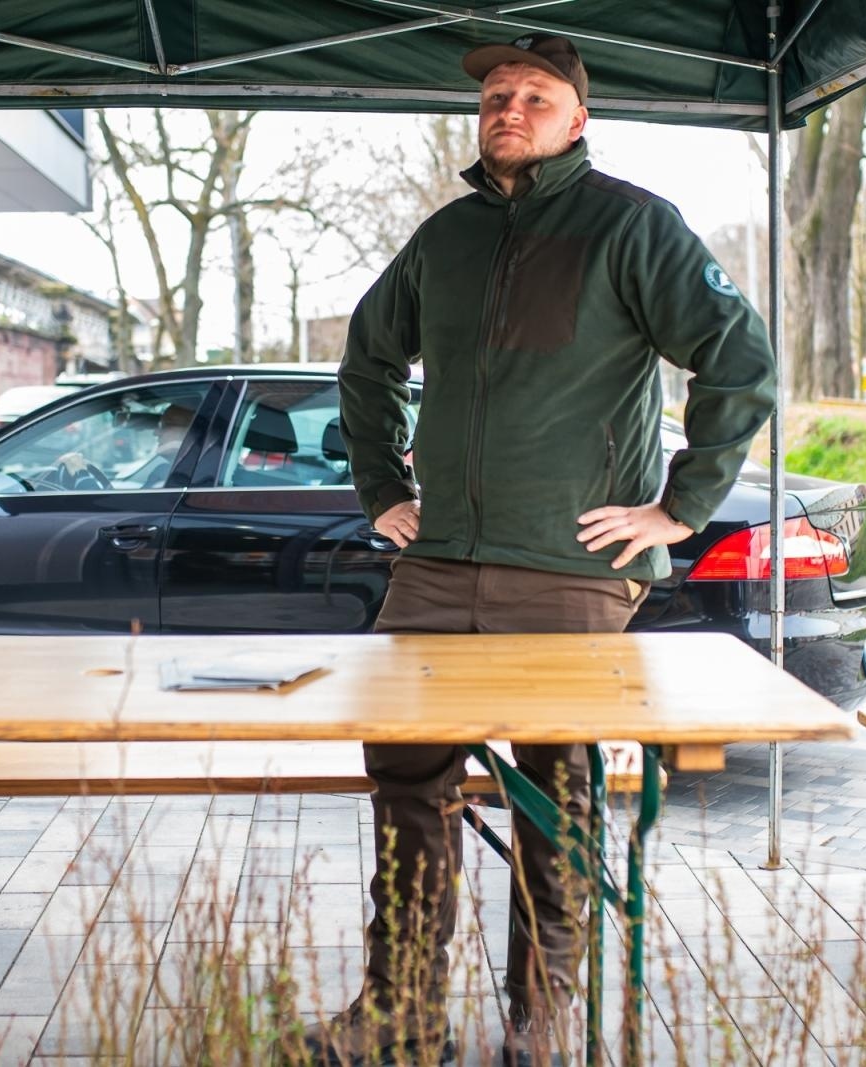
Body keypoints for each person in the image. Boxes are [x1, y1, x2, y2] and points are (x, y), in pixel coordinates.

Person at [310, 34, 777, 1067]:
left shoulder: (631, 225)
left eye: (533, 95)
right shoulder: (444, 239)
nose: (507, 107)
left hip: (568, 574)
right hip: (432, 570)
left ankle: (542, 1017)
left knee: (555, 797)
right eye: (493, 94)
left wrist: (677, 508)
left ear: (577, 118)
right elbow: (366, 359)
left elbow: (739, 363)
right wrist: (383, 487)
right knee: (405, 788)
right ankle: (401, 1011)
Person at [55, 400, 195, 489]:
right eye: (158, 424)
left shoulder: (172, 475)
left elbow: (124, 520)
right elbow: (128, 512)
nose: (156, 433)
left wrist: (82, 476)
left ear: (193, 431)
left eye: (167, 425)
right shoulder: (181, 473)